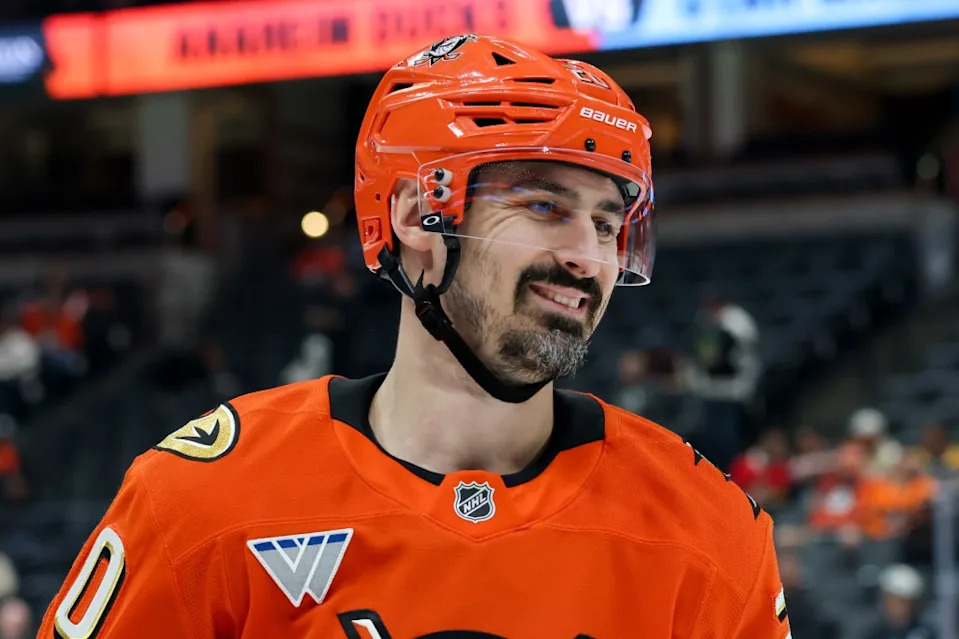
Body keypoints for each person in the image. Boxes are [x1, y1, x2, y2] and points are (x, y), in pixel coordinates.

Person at [39, 34, 788, 638]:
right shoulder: (199, 500)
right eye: (544, 206)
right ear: (413, 217)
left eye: (605, 222)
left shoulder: (707, 527)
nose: (587, 256)